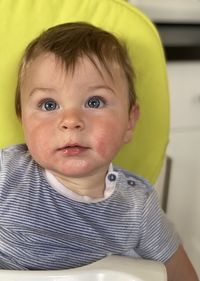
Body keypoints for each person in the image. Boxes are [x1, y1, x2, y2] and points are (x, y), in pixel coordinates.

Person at [0, 22, 198, 280]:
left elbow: (182, 276)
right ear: (23, 119)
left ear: (129, 121)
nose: (71, 120)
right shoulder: (7, 173)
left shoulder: (137, 209)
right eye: (49, 105)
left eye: (95, 102)